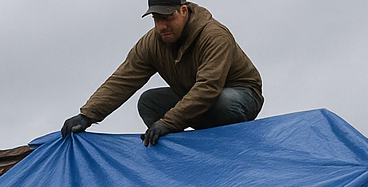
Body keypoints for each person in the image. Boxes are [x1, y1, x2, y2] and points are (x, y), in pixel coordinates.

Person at [60, 1, 262, 146]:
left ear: (183, 11)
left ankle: (226, 145)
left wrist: (168, 122)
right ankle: (181, 152)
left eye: (167, 18)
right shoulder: (153, 42)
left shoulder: (213, 36)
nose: (161, 26)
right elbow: (123, 79)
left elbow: (208, 87)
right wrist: (87, 115)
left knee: (220, 102)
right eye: (156, 19)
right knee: (149, 102)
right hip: (194, 95)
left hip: (240, 96)